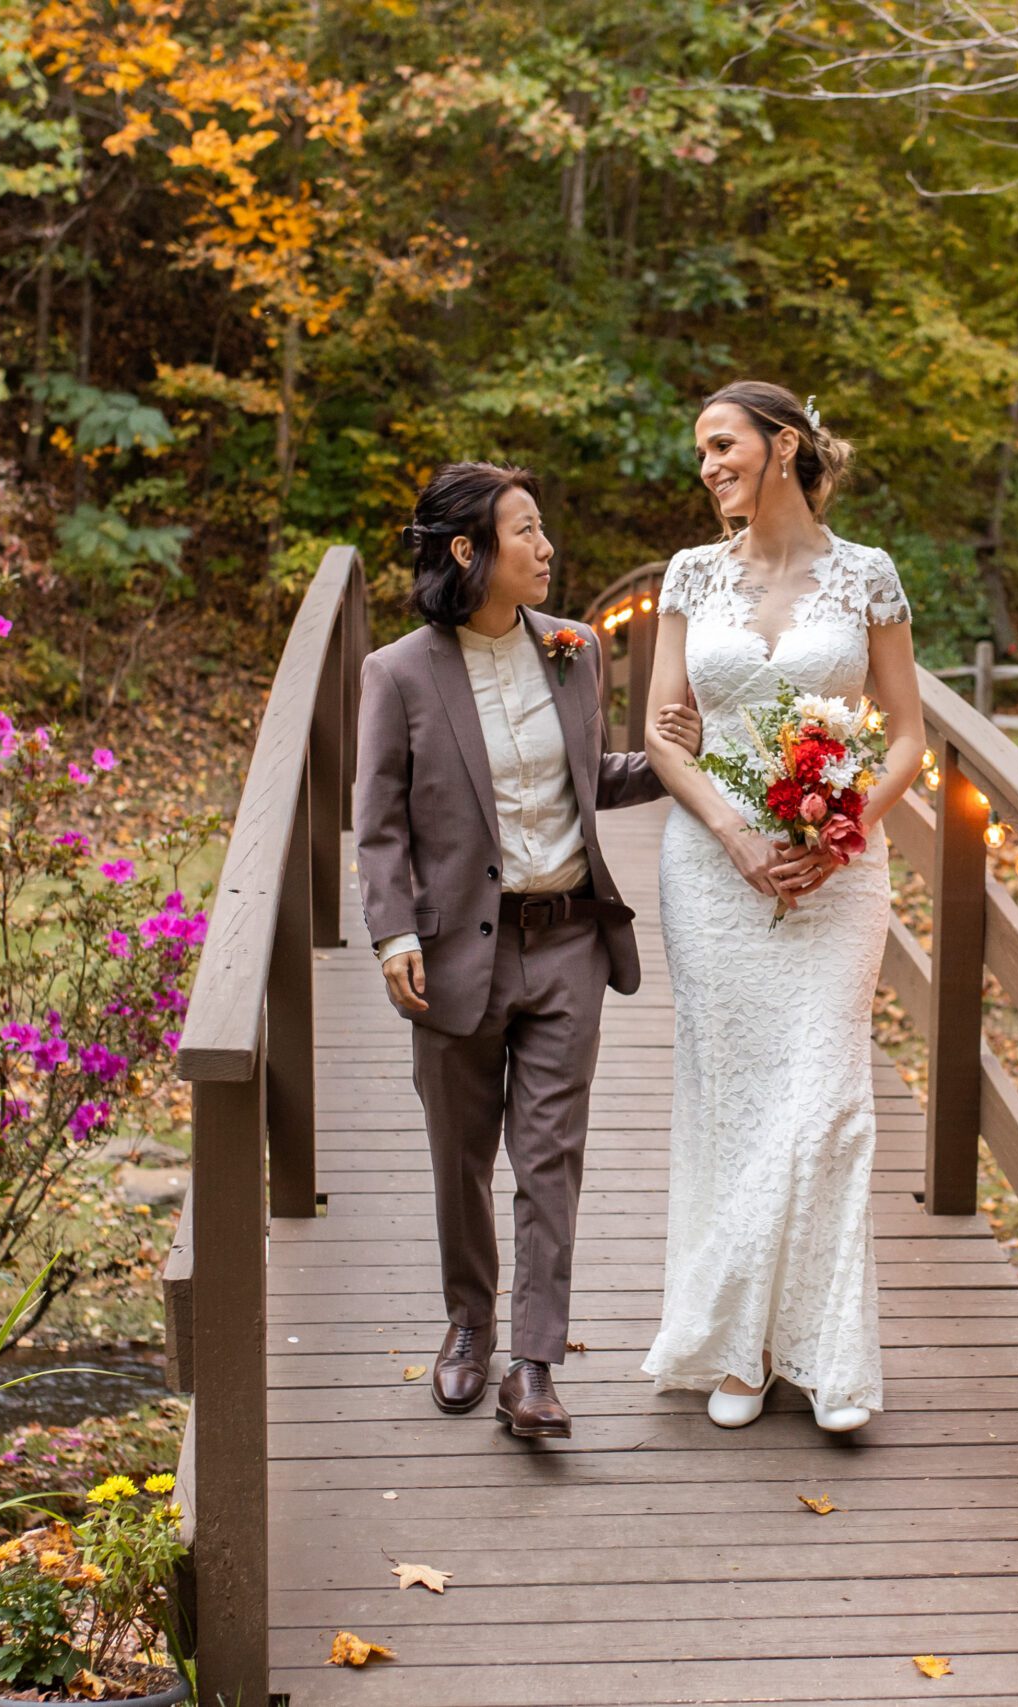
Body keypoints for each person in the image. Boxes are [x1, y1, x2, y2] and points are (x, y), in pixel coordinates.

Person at [354, 461, 693, 1440]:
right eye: (526, 532)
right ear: (469, 552)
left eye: (544, 530)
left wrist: (681, 756)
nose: (547, 549)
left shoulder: (577, 650)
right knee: (460, 1156)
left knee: (549, 1158)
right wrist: (389, 934)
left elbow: (589, 779)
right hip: (454, 954)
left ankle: (534, 1366)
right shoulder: (398, 674)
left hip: (568, 943)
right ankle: (470, 1326)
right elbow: (376, 826)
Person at [638, 382, 928, 1434]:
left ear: (782, 446)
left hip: (837, 870)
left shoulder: (867, 578)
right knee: (735, 1104)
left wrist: (841, 820)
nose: (708, 464)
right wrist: (735, 834)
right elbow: (665, 733)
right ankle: (740, 1351)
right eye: (701, 451)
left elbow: (905, 732)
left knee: (827, 1104)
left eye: (723, 445)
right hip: (713, 869)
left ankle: (832, 1359)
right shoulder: (687, 576)